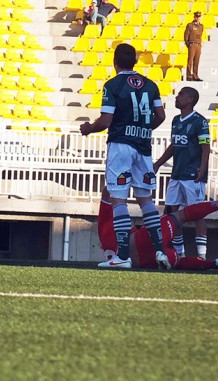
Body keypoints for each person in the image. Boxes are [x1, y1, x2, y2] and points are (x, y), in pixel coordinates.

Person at [80, 43, 166, 269]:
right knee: (145, 199)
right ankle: (160, 251)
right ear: (135, 62)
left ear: (114, 61)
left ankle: (123, 257)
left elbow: (106, 121)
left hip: (120, 146)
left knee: (119, 199)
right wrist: (144, 129)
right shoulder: (151, 85)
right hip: (143, 147)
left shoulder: (112, 85)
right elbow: (161, 116)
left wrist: (89, 128)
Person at [97, 187, 218, 272]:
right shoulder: (105, 230)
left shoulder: (106, 239)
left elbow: (106, 196)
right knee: (182, 215)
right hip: (144, 240)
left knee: (178, 261)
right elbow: (106, 195)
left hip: (143, 262)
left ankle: (213, 263)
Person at [153, 87, 210, 259]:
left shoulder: (201, 122)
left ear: (190, 99)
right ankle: (179, 254)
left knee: (198, 214)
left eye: (181, 95)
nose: (177, 97)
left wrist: (202, 167)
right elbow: (174, 146)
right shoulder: (176, 120)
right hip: (176, 175)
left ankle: (202, 256)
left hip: (193, 175)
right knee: (171, 214)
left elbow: (206, 147)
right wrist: (158, 164)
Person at [184, 11, 204, 81]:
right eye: (196, 17)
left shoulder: (201, 26)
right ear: (194, 17)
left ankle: (195, 75)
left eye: (199, 17)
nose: (198, 18)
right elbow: (186, 36)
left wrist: (199, 43)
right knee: (190, 61)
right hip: (192, 44)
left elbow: (200, 35)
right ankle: (189, 76)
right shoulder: (190, 25)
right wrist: (188, 44)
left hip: (198, 44)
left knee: (196, 61)